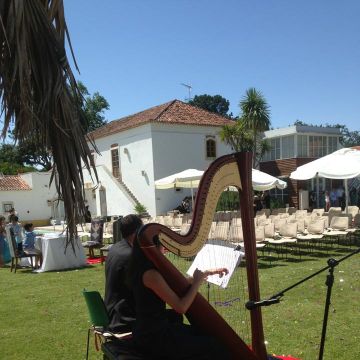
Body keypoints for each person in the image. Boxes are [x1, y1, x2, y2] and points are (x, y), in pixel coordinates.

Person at [128, 234, 231, 359]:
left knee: (204, 335)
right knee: (214, 346)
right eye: (162, 247)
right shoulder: (150, 275)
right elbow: (181, 307)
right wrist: (197, 282)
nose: (164, 251)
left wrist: (206, 273)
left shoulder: (142, 268)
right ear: (153, 250)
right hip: (154, 337)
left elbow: (175, 285)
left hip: (154, 330)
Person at [104, 214, 142, 333]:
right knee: (173, 317)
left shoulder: (115, 248)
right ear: (137, 231)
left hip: (109, 312)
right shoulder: (130, 255)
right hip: (122, 318)